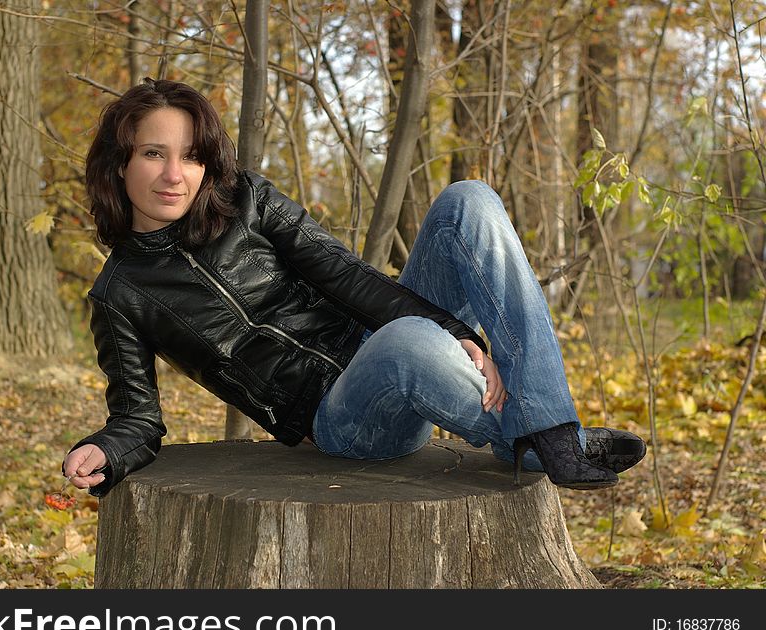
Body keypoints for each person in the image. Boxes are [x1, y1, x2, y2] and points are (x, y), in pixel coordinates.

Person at [62, 78, 645, 497]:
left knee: (469, 201)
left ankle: (552, 428)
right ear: (119, 164)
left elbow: (349, 278)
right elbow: (137, 419)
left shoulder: (247, 200)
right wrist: (106, 454)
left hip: (376, 338)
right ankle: (528, 437)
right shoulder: (121, 295)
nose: (174, 174)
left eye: (190, 157)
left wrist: (460, 331)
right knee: (408, 340)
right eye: (153, 154)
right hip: (343, 421)